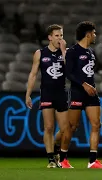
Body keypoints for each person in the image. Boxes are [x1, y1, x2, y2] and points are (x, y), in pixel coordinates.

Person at [55, 21, 102, 169]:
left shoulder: (91, 52)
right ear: (88, 34)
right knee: (72, 126)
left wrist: (89, 85)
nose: (95, 35)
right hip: (78, 92)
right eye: (94, 33)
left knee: (96, 124)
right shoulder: (73, 51)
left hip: (91, 93)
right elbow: (68, 73)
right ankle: (63, 159)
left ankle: (92, 161)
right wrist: (84, 84)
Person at [25, 24, 71, 168]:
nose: (60, 38)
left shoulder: (66, 52)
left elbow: (70, 71)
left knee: (65, 129)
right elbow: (33, 74)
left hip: (61, 93)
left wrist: (64, 52)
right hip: (47, 93)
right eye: (57, 36)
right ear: (50, 37)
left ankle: (57, 148)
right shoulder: (40, 53)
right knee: (49, 127)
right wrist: (28, 94)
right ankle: (51, 159)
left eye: (62, 35)